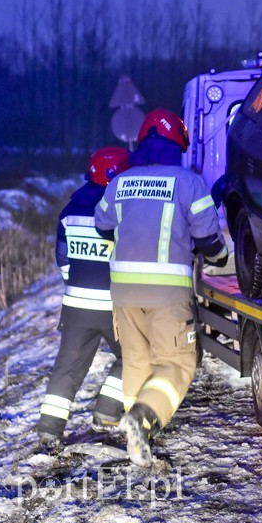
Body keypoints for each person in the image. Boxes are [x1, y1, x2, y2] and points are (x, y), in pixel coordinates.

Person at [94, 108, 228, 466]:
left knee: (136, 361)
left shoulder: (120, 182)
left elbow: (102, 225)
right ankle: (142, 418)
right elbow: (209, 239)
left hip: (123, 291)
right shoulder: (188, 182)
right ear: (176, 146)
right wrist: (217, 253)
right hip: (166, 293)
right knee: (177, 364)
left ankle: (136, 439)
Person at [37, 147, 131, 450]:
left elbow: (62, 258)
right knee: (134, 357)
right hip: (113, 307)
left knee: (67, 368)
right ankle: (106, 412)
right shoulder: (121, 211)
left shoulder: (69, 211)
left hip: (75, 306)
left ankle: (49, 430)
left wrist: (74, 284)